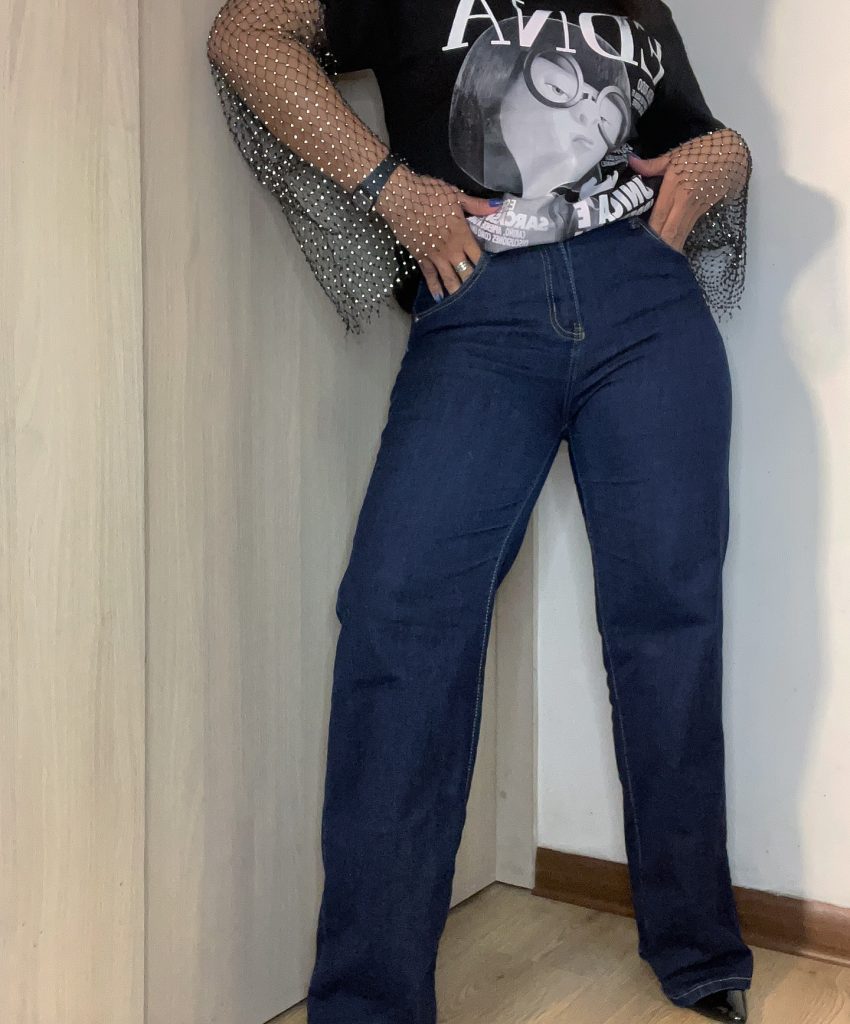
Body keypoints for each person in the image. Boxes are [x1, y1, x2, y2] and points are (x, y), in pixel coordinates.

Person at [206, 2, 755, 1022]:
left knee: (668, 622)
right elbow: (247, 34)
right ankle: (368, 1001)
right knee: (397, 617)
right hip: (479, 313)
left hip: (645, 308)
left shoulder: (637, 4)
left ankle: (697, 944)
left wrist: (720, 161)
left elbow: (695, 134)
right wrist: (392, 188)